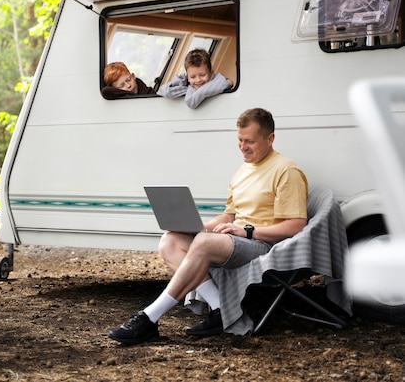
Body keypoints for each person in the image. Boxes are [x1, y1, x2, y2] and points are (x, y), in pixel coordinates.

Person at [108, 108, 308, 344]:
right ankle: (221, 309)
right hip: (237, 239)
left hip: (264, 246)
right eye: (240, 140)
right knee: (171, 240)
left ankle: (149, 318)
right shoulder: (244, 170)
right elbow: (229, 216)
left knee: (202, 243)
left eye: (250, 141)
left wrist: (247, 231)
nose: (243, 147)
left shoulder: (286, 170)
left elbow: (295, 226)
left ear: (270, 138)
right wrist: (199, 227)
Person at [158, 48, 233, 109]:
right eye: (193, 77)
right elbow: (163, 91)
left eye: (203, 75)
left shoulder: (217, 79)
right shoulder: (189, 86)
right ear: (187, 77)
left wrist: (200, 91)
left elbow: (191, 102)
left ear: (211, 73)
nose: (198, 80)